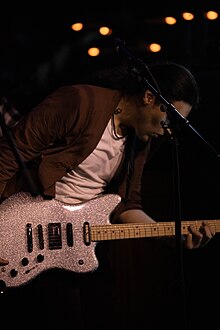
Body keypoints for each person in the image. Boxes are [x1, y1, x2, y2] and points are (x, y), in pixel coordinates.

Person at [0, 60, 216, 329]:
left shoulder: (139, 142)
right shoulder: (79, 101)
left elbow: (126, 206)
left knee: (102, 314)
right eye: (169, 118)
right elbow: (8, 156)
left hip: (82, 245)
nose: (168, 130)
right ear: (149, 97)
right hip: (31, 234)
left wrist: (171, 236)